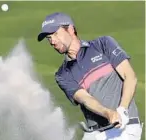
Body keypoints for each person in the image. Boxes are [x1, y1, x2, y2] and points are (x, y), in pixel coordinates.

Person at [37, 12, 143, 140]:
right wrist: (108, 113)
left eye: (55, 34)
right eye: (49, 38)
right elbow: (85, 99)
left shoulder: (103, 45)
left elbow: (130, 76)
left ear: (70, 29)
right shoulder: (62, 75)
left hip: (124, 128)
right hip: (95, 133)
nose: (52, 41)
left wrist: (123, 109)